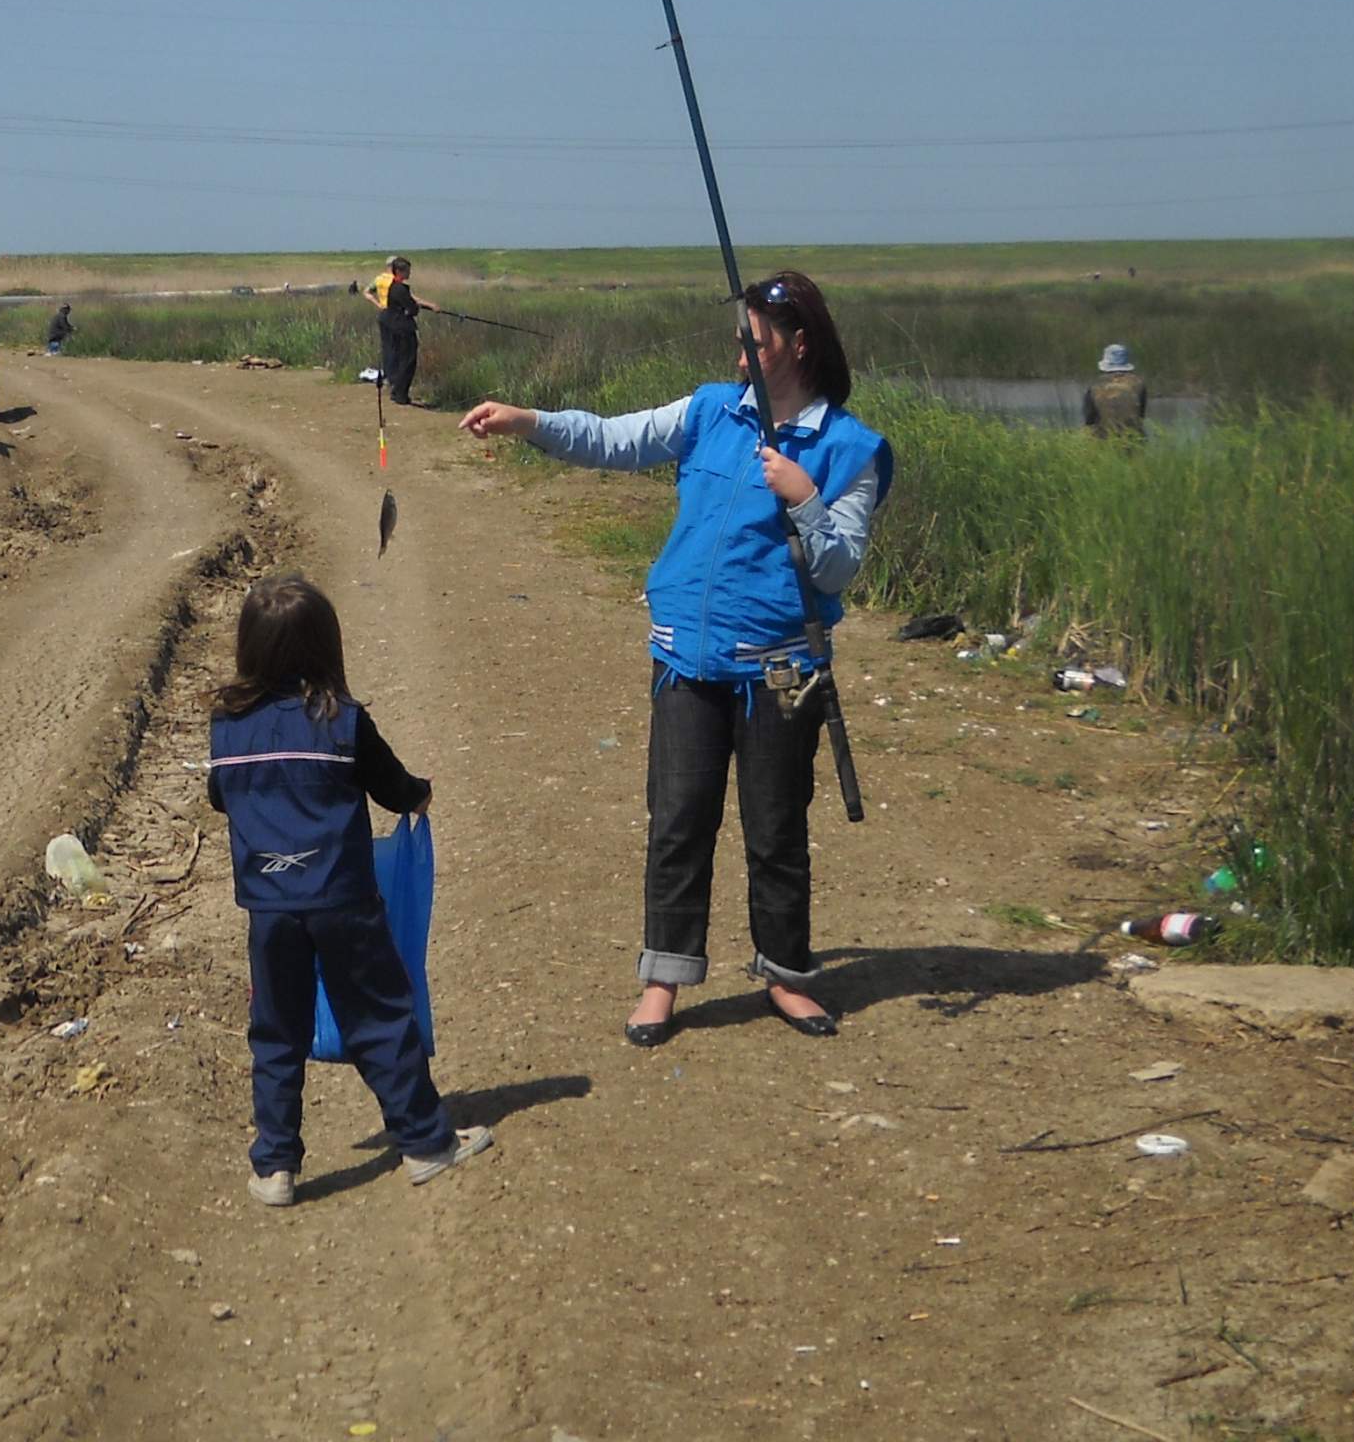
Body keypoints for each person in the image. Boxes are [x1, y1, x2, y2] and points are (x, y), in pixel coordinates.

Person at [461, 271, 891, 1049]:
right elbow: (611, 439)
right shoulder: (707, 410)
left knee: (776, 830)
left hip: (781, 672)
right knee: (678, 822)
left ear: (799, 345)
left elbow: (838, 570)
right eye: (738, 338)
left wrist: (803, 496)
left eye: (754, 340)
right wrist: (528, 421)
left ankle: (786, 976)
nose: (740, 352)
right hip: (684, 659)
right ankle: (664, 977)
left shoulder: (849, 449)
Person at [206, 572, 492, 1203]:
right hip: (344, 901)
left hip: (269, 908)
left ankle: (274, 1166)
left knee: (276, 1032)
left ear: (247, 647)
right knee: (379, 1017)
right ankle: (425, 1143)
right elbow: (394, 788)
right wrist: (420, 795)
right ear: (325, 647)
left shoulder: (226, 727)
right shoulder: (343, 721)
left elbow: (220, 797)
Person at [363, 255, 440, 405]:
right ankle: (400, 394)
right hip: (401, 326)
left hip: (387, 320)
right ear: (398, 270)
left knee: (392, 354)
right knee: (407, 360)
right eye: (407, 271)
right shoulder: (398, 288)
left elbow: (368, 292)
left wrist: (379, 305)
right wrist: (424, 307)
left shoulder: (382, 281)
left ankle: (394, 387)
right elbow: (412, 306)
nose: (409, 274)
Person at [1084, 342, 1147, 440]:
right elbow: (1141, 415)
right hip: (1133, 439)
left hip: (1103, 440)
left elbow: (1089, 419)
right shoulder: (1139, 384)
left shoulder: (1095, 386)